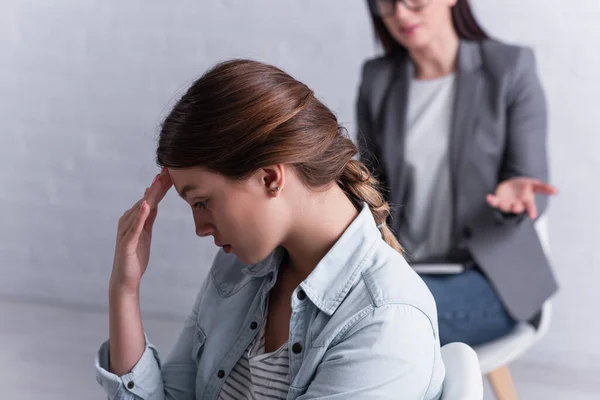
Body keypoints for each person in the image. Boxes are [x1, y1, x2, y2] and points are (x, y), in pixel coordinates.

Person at [94, 59, 445, 399]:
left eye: (202, 202)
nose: (200, 228)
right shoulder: (241, 270)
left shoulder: (385, 323)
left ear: (270, 178)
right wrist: (124, 290)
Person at [357, 0, 559, 346]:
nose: (401, 13)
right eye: (386, 4)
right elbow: (372, 188)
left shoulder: (509, 67)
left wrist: (518, 192)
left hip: (490, 279)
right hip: (405, 269)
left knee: (382, 323)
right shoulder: (378, 79)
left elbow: (531, 180)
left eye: (413, 0)